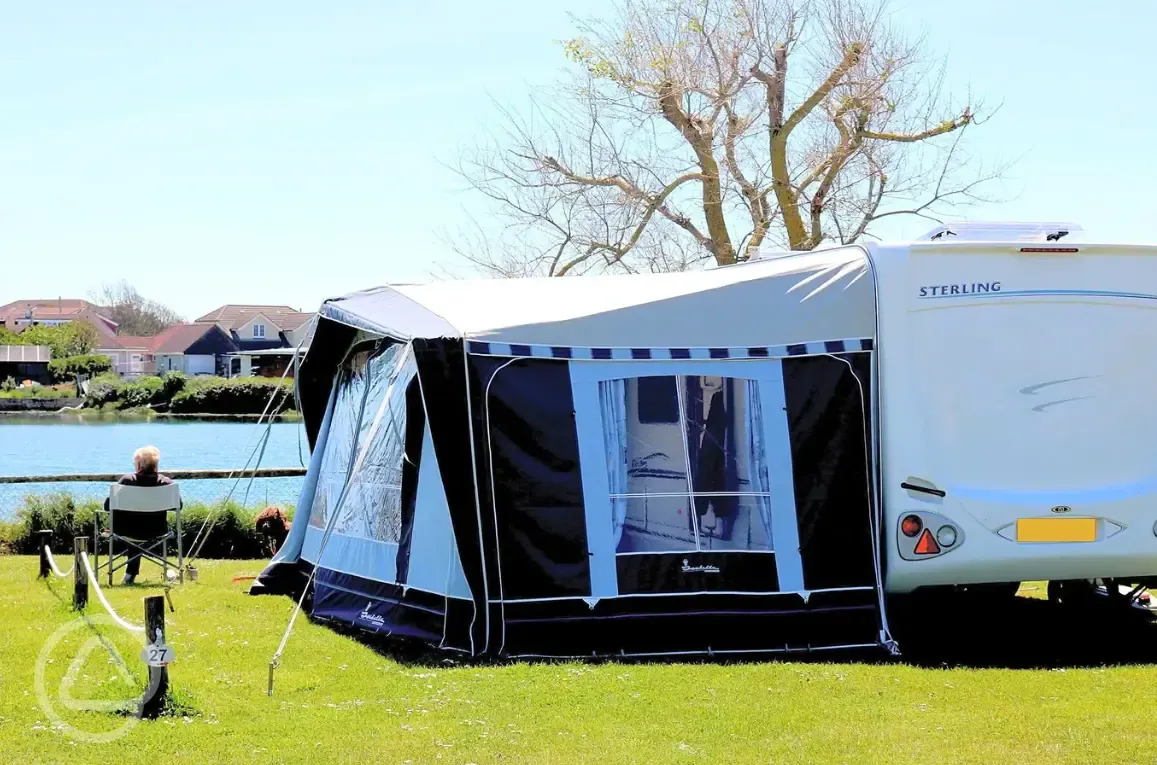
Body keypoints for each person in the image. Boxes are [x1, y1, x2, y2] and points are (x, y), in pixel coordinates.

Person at [106, 445, 174, 584]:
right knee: (140, 529)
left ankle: (130, 574)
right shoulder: (165, 483)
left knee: (134, 530)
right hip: (157, 531)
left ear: (138, 465)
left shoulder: (127, 481)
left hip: (125, 531)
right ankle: (131, 574)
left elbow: (107, 506)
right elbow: (178, 506)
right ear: (156, 466)